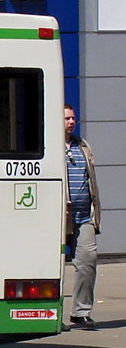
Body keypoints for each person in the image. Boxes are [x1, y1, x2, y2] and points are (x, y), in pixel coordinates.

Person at [64, 104, 100, 330]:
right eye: (67, 118)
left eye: (73, 118)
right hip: (60, 217)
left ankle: (80, 312)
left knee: (88, 261)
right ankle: (51, 314)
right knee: (53, 268)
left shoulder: (83, 146)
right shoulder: (50, 147)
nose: (71, 122)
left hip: (84, 215)